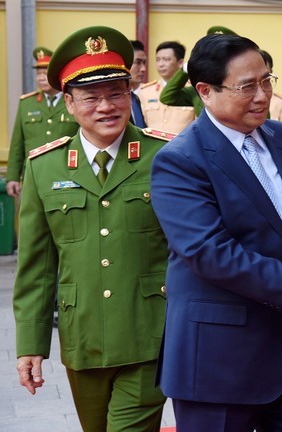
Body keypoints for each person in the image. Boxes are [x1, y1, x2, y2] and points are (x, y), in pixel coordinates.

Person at [150, 33, 282, 431]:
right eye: (246, 86)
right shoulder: (180, 160)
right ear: (206, 91)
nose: (262, 95)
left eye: (267, 80)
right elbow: (210, 253)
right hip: (219, 365)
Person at [13, 26, 172, 431]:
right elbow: (37, 265)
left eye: (116, 93)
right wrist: (31, 345)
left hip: (149, 335)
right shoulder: (44, 167)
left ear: (130, 94)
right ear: (68, 103)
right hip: (81, 338)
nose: (106, 106)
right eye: (91, 97)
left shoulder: (165, 157)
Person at [5, 47, 80, 199]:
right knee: (30, 220)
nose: (40, 78)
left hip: (66, 175)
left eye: (45, 73)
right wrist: (12, 176)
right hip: (32, 176)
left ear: (56, 76)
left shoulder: (73, 102)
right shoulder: (27, 103)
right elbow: (17, 143)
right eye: (38, 73)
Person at [139, 40, 194, 134]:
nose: (160, 64)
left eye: (166, 59)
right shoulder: (145, 91)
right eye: (157, 59)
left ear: (180, 63)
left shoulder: (191, 90)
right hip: (154, 146)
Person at [129, 40, 148, 127]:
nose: (143, 69)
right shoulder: (115, 100)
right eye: (137, 63)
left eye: (144, 63)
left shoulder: (135, 98)